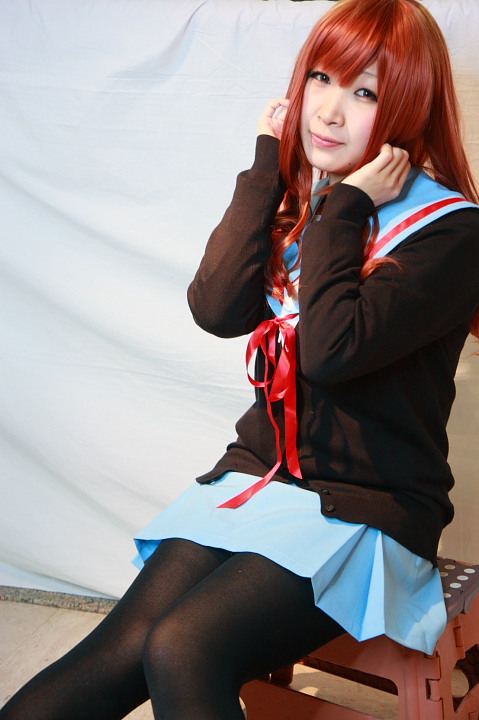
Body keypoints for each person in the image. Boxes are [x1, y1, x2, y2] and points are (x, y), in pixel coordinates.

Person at [2, 0, 479, 718]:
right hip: (263, 478)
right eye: (321, 78)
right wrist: (266, 166)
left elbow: (330, 352)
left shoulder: (448, 232)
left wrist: (347, 206)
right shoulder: (309, 200)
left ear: (407, 108)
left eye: (364, 92)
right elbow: (216, 307)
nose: (328, 111)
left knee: (184, 647)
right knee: (123, 646)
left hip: (370, 508)